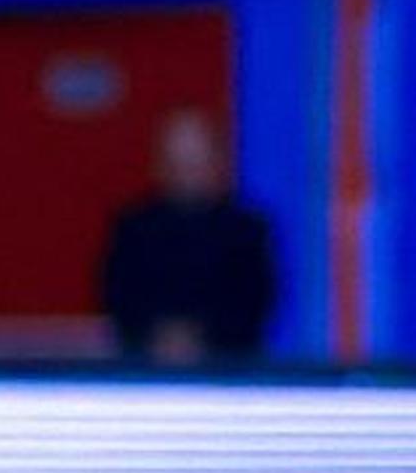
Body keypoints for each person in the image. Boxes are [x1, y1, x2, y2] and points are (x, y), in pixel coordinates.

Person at [100, 110, 282, 363]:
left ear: (218, 163)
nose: (186, 174)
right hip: (145, 373)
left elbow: (255, 299)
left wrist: (202, 336)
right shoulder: (133, 229)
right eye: (177, 163)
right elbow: (118, 295)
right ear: (159, 165)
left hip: (230, 373)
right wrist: (158, 336)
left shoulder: (247, 231)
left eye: (195, 163)